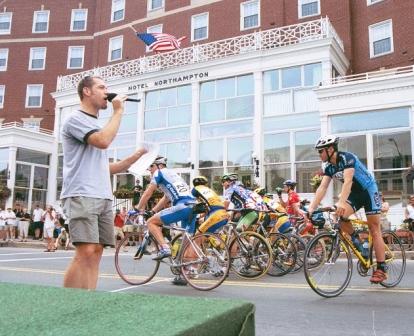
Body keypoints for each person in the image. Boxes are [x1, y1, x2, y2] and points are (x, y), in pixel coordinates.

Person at [61, 75, 148, 290]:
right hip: (82, 193)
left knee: (97, 251)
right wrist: (118, 111)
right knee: (86, 251)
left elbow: (105, 167)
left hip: (103, 195)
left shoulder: (96, 124)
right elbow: (102, 141)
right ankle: (66, 302)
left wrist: (133, 158)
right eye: (101, 87)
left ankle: (88, 297)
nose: (106, 92)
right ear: (87, 91)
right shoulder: (76, 119)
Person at [307, 135, 386, 284]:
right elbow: (323, 187)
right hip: (355, 194)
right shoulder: (329, 167)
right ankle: (358, 240)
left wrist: (341, 203)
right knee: (339, 217)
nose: (319, 155)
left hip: (368, 190)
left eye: (320, 151)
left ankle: (381, 268)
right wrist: (311, 208)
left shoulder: (347, 158)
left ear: (330, 149)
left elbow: (348, 181)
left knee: (374, 228)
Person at [134, 156, 197, 285]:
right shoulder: (174, 175)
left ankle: (164, 248)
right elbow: (166, 198)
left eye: (151, 167)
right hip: (193, 207)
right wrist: (153, 210)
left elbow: (148, 192)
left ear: (158, 165)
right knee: (187, 240)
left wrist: (138, 207)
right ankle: (189, 271)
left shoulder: (159, 173)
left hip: (183, 206)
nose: (150, 170)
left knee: (151, 222)